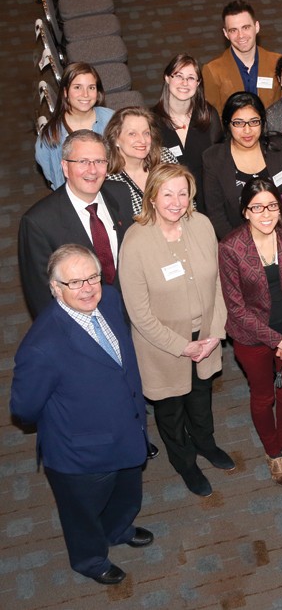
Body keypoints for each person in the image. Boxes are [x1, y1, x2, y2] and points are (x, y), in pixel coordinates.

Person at [11, 244, 152, 585]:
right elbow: (24, 409)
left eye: (92, 277)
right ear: (55, 288)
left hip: (129, 429)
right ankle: (90, 560)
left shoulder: (111, 299)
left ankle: (118, 529)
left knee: (126, 492)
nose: (88, 288)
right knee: (82, 514)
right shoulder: (41, 346)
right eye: (74, 283)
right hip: (82, 453)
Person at [118, 164, 232, 498]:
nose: (176, 201)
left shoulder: (202, 224)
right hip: (162, 347)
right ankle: (184, 462)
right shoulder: (136, 241)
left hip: (205, 338)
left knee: (201, 398)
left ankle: (206, 444)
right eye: (167, 193)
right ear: (152, 196)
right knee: (170, 409)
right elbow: (139, 313)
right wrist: (182, 346)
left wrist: (215, 332)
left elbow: (220, 284)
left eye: (183, 193)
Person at [218, 178, 282, 486]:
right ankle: (273, 453)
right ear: (245, 211)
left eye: (272, 206)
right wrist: (279, 341)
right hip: (252, 338)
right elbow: (237, 310)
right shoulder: (231, 247)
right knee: (263, 397)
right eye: (257, 208)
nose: (266, 214)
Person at [19, 130, 134, 319]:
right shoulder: (38, 222)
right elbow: (41, 297)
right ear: (65, 167)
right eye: (82, 162)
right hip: (83, 324)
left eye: (99, 161)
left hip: (133, 314)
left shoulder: (121, 194)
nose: (92, 170)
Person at [203, 92, 282, 240]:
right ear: (228, 123)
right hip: (237, 243)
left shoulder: (279, 147)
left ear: (262, 122)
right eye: (238, 123)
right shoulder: (213, 159)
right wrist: (241, 248)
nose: (247, 130)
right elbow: (216, 214)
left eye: (254, 122)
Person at [152, 54, 224, 213]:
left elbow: (220, 163)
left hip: (208, 202)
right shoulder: (151, 121)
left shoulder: (209, 116)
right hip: (170, 205)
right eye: (178, 76)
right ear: (167, 78)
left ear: (198, 83)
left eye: (191, 78)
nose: (184, 83)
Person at [35, 62, 114, 189]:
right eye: (77, 87)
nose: (85, 94)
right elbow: (56, 181)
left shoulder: (112, 120)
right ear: (65, 92)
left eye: (91, 87)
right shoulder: (50, 138)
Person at [203, 0, 282, 112]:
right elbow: (212, 119)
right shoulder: (213, 71)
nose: (241, 36)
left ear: (257, 27)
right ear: (226, 34)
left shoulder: (277, 63)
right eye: (233, 30)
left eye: (246, 28)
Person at [104, 107, 178, 216]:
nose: (142, 140)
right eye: (132, 134)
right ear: (115, 139)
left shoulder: (165, 158)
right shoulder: (107, 177)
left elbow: (188, 200)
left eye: (146, 133)